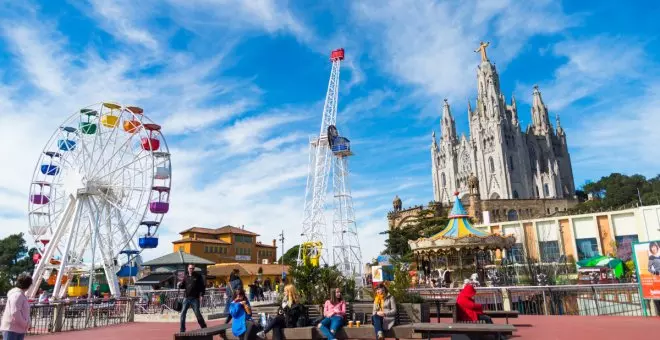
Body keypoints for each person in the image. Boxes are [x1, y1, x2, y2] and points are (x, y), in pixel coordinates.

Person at [1, 273, 33, 340]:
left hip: (17, 328)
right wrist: (25, 323)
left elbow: (24, 312)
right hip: (12, 329)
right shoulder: (17, 295)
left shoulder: (20, 295)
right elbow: (15, 312)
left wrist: (28, 323)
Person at [178, 264, 208, 333]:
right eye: (190, 268)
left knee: (197, 314)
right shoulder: (186, 276)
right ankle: (182, 330)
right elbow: (183, 286)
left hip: (195, 298)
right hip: (186, 298)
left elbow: (202, 287)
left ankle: (204, 327)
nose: (191, 270)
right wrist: (180, 285)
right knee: (182, 313)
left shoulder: (198, 276)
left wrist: (201, 295)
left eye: (193, 268)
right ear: (188, 269)